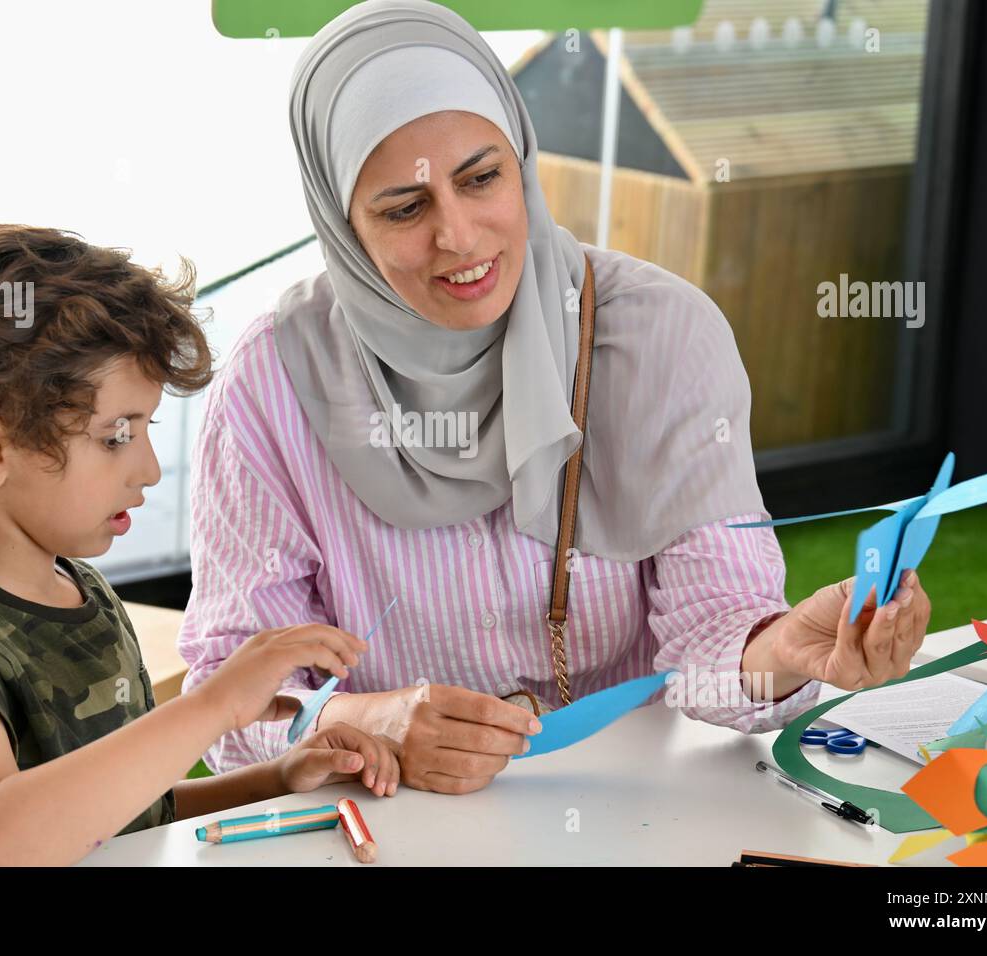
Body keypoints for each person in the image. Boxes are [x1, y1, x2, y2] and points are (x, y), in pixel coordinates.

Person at [177, 0, 932, 795]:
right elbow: (227, 706)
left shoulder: (660, 337)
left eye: (483, 178)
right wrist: (357, 721)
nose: (461, 237)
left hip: (635, 811)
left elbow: (710, 644)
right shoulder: (273, 384)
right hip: (394, 826)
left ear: (523, 159)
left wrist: (779, 651)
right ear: (338, 220)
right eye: (405, 207)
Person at [0, 217, 398, 866]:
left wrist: (275, 783)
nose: (148, 469)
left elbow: (121, 812)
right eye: (117, 435)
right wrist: (216, 706)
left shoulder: (81, 592)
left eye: (147, 429)